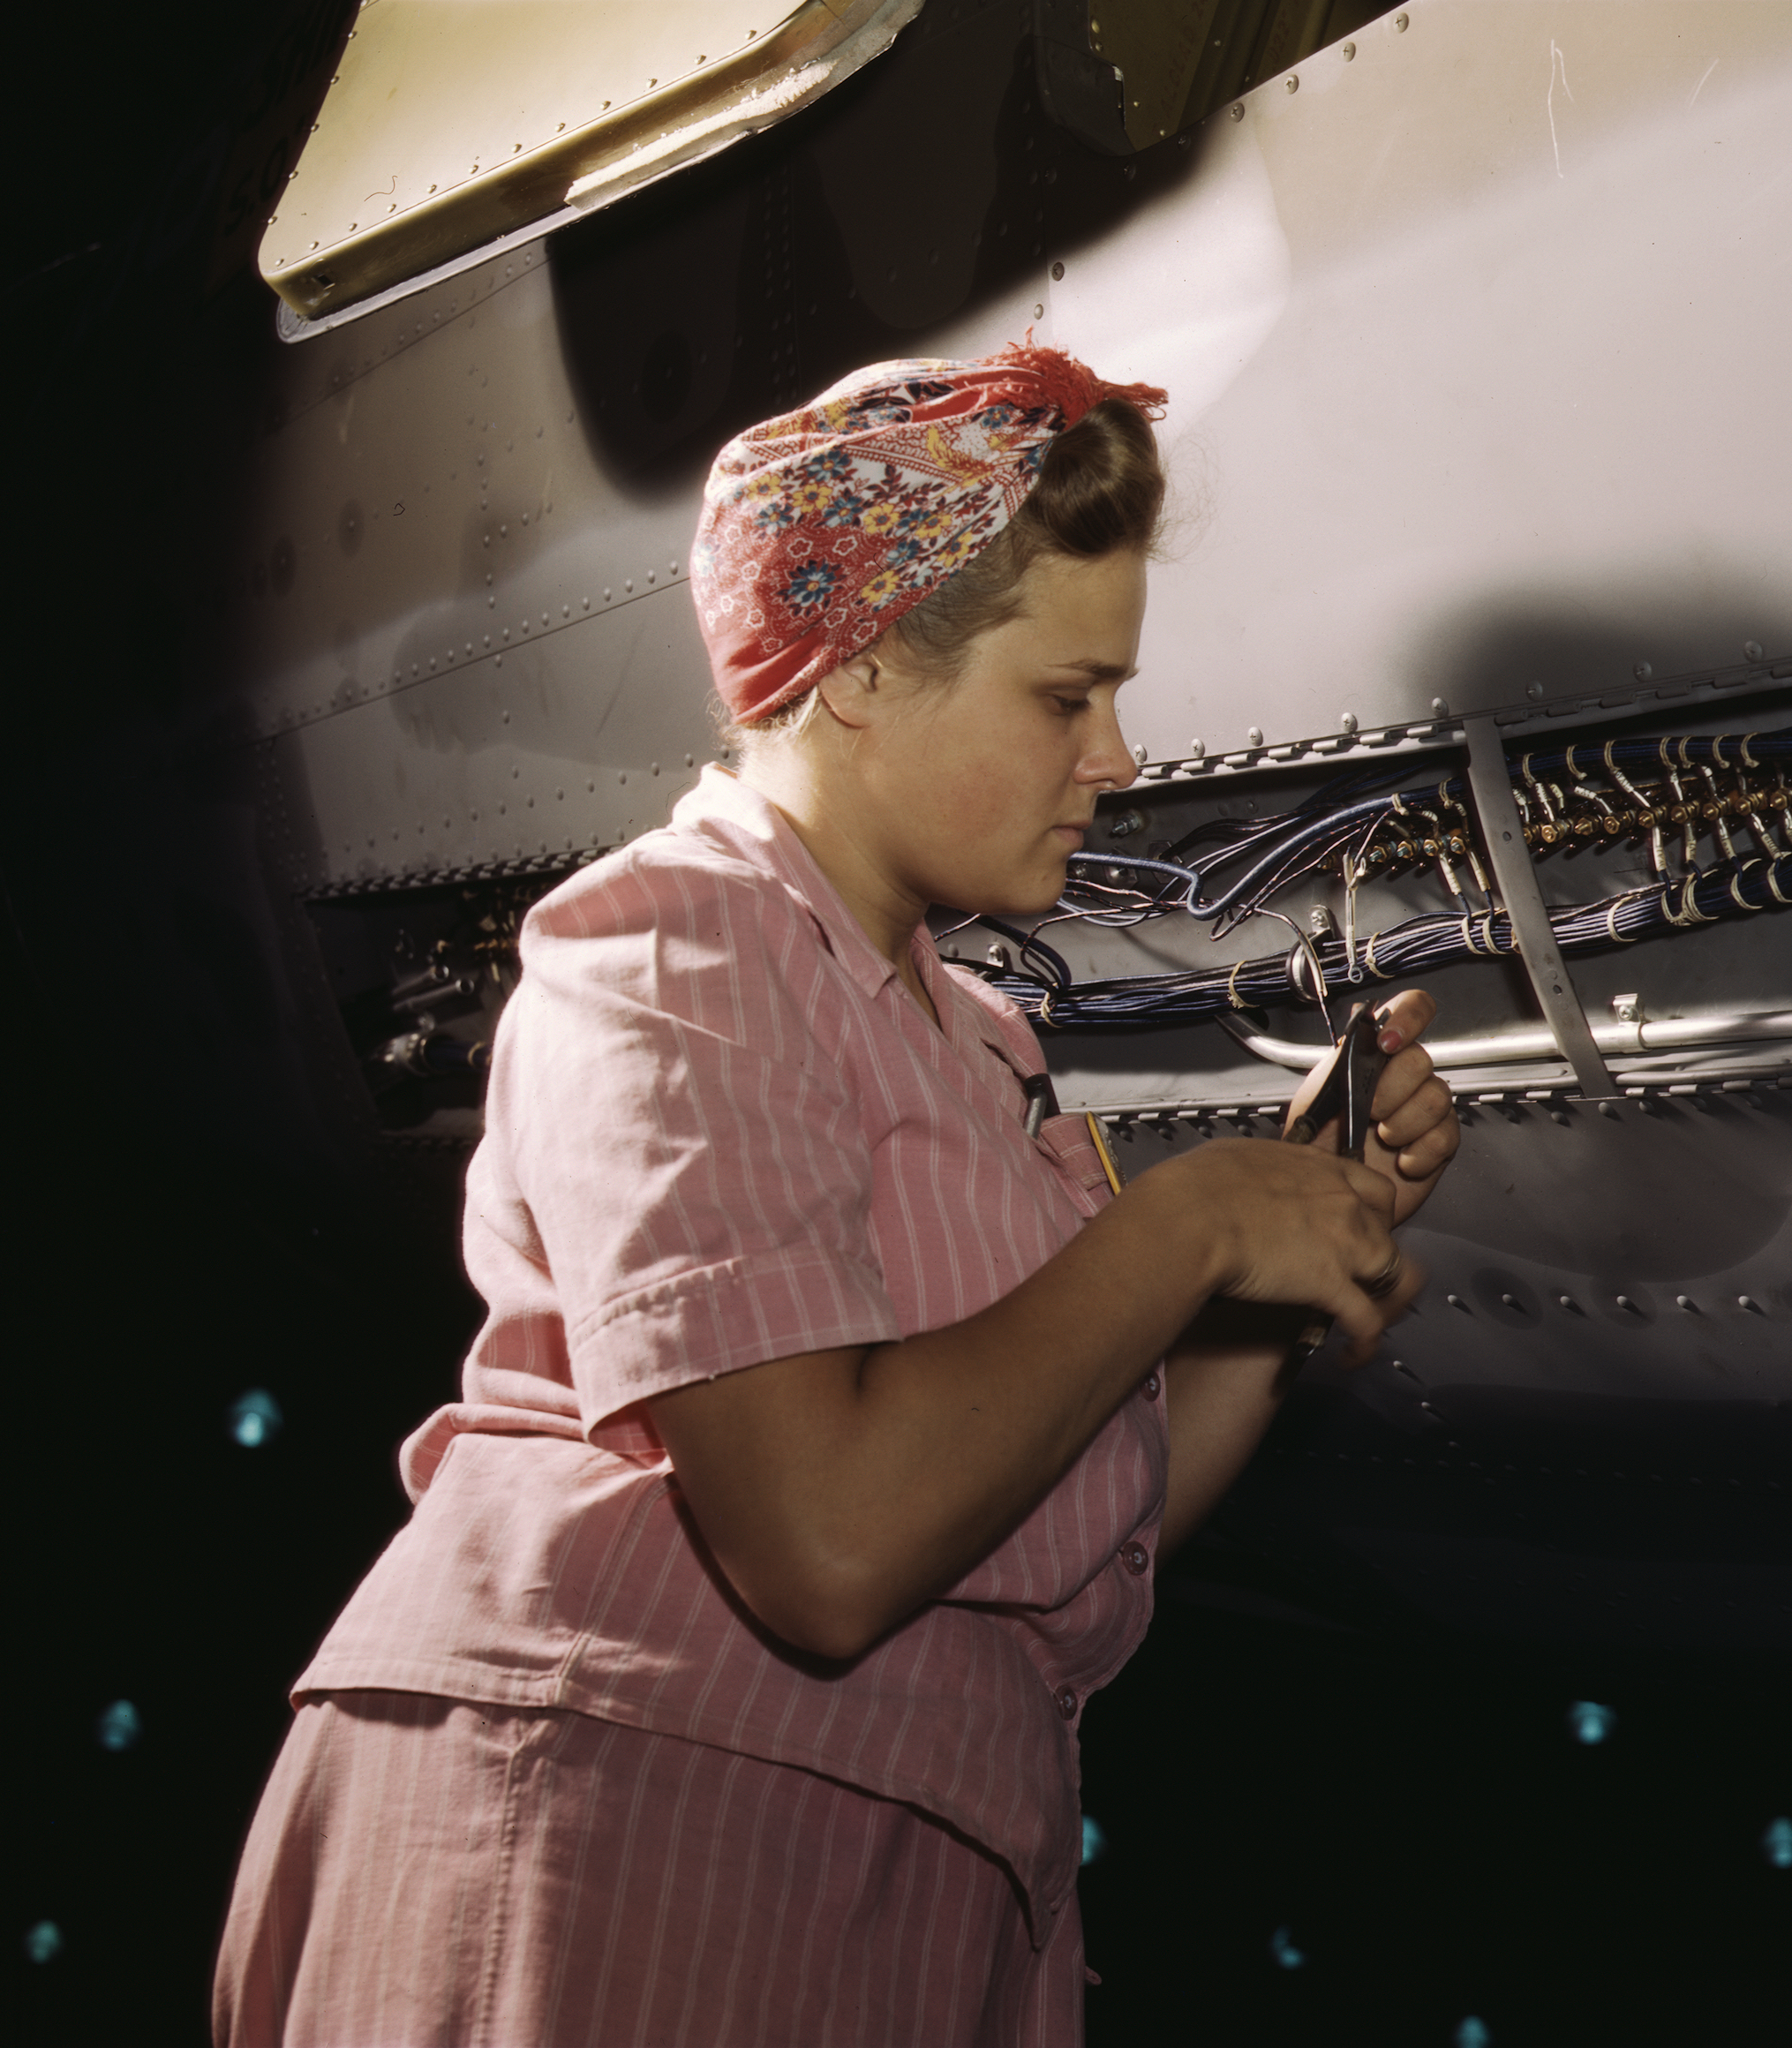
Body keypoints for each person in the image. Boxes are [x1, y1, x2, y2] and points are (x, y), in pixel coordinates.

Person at [211, 343, 1460, 2046]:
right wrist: (1185, 1225)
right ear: (864, 672)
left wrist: (1280, 1254)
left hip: (897, 1884)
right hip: (616, 1845)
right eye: (1064, 697)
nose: (1119, 759)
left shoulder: (977, 1043)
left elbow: (1071, 1529)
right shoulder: (672, 943)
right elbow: (832, 1540)